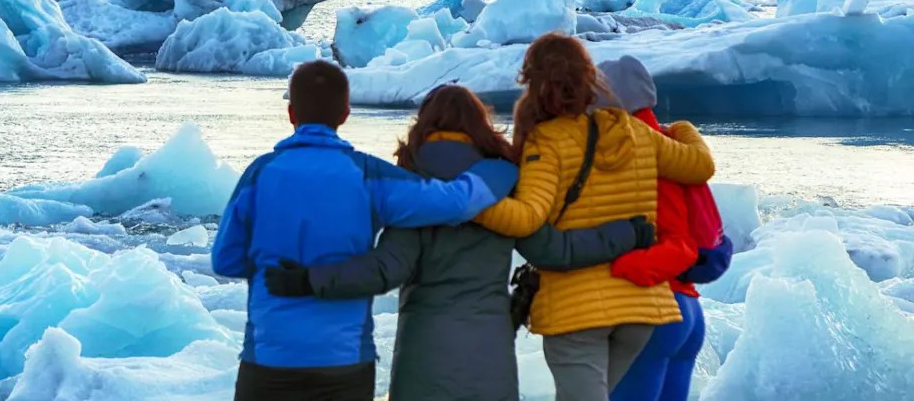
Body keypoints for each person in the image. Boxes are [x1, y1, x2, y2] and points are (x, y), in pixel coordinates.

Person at [263, 84, 657, 401]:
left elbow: (385, 270)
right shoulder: (505, 188)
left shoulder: (415, 192)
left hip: (424, 363)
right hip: (490, 362)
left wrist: (308, 280)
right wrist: (628, 232)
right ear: (480, 125)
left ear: (422, 127)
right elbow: (556, 251)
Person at [212, 61, 504, 401]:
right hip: (344, 362)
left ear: (291, 113)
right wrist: (499, 170)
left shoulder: (259, 174)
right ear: (346, 114)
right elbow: (456, 203)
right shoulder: (368, 175)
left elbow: (226, 260)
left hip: (269, 357)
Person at [471, 34, 716, 401]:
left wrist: (465, 199)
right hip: (643, 311)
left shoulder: (546, 142)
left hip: (579, 311)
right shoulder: (636, 134)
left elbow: (525, 218)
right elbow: (700, 166)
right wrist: (684, 129)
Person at [601, 57, 736, 401]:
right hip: (688, 312)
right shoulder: (677, 149)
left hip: (652, 312)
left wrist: (616, 270)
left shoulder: (632, 155)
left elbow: (673, 241)